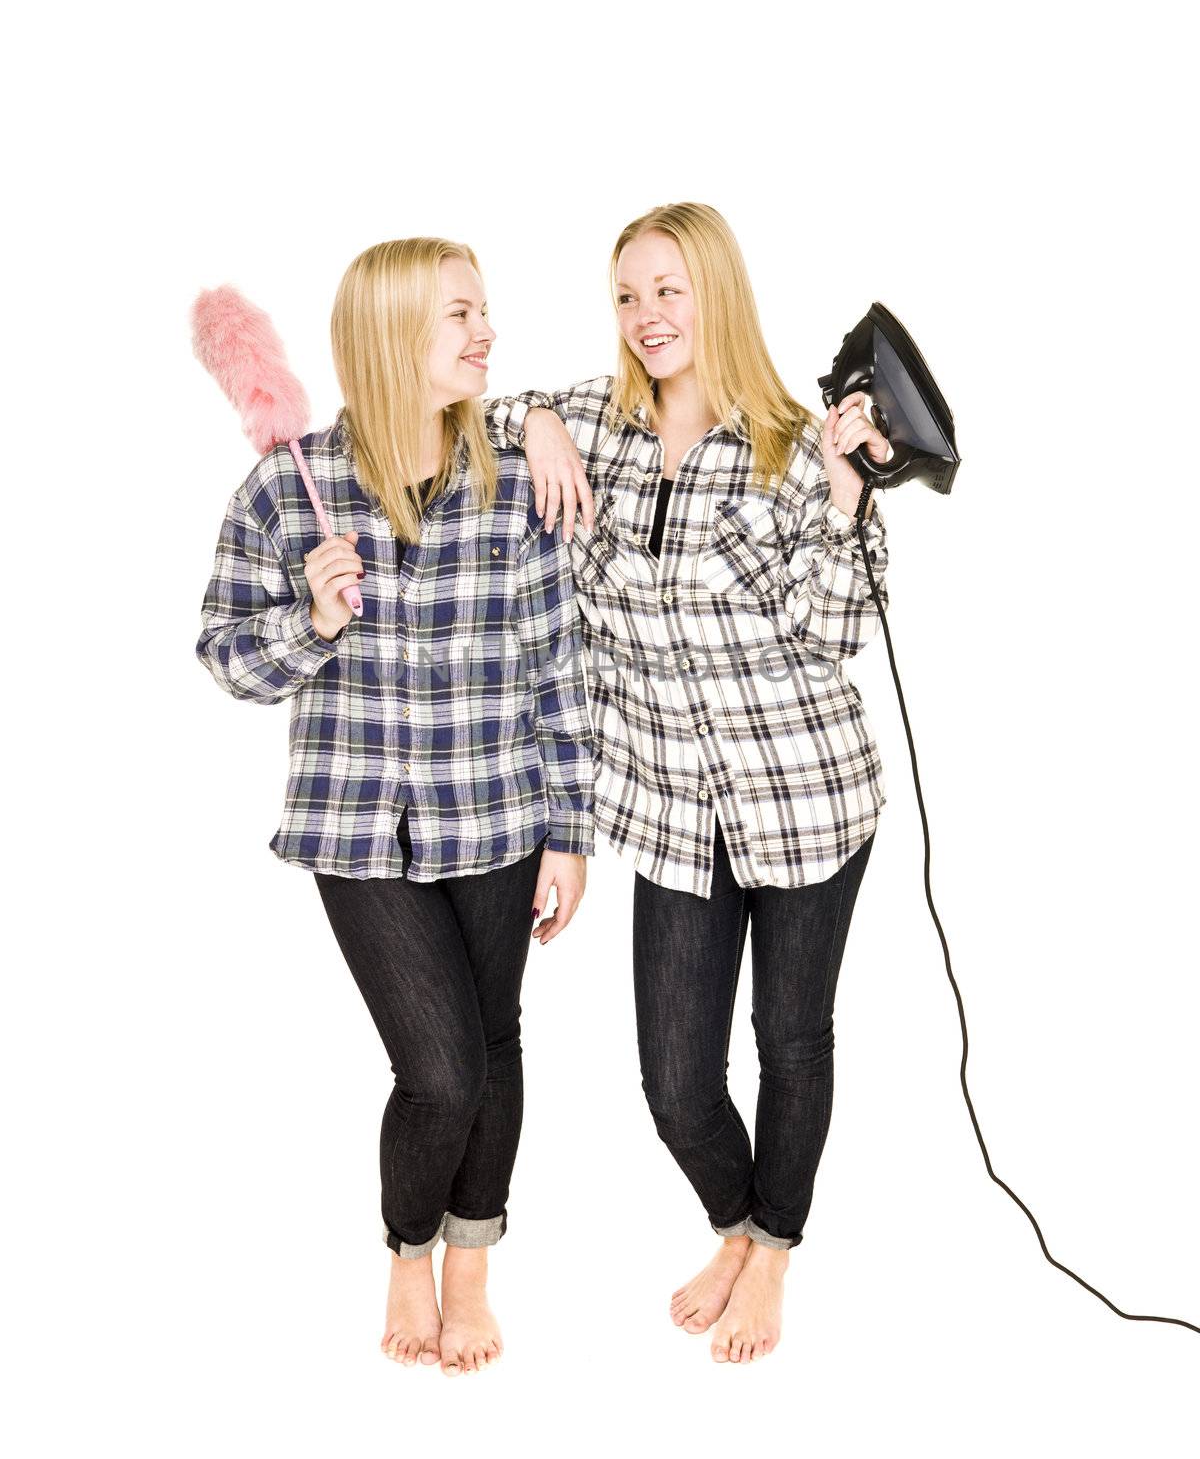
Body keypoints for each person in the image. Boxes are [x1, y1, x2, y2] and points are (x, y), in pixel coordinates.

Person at [482, 202, 891, 1364]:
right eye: (627, 295)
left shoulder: (788, 439)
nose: (647, 316)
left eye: (668, 289)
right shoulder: (601, 429)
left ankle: (772, 1248)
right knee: (675, 1080)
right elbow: (481, 409)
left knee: (790, 1040)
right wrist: (546, 421)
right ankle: (734, 1217)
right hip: (667, 808)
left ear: (716, 292)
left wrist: (844, 491)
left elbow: (836, 627)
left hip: (806, 798)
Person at [196, 238, 595, 1376]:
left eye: (485, 311)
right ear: (391, 334)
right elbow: (226, 659)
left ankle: (470, 1261)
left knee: (496, 1043)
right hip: (354, 824)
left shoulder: (519, 481)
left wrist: (569, 830)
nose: (486, 332)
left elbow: (558, 666)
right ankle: (406, 1245)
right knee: (441, 1069)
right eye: (460, 315)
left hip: (498, 815)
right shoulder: (286, 490)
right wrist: (310, 622)